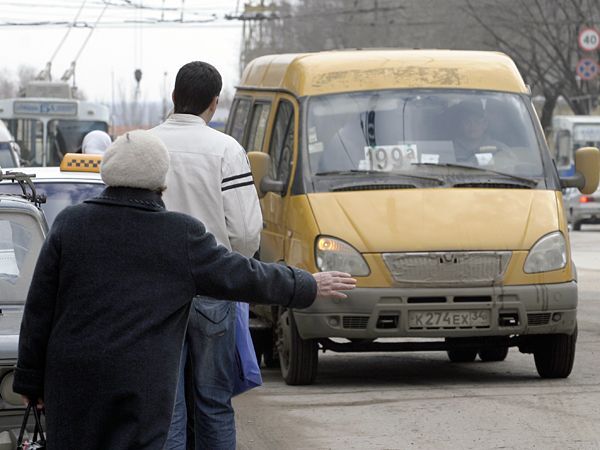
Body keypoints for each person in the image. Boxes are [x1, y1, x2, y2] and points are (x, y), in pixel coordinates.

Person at [12, 130, 356, 450]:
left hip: (71, 382)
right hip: (140, 387)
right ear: (162, 181)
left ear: (108, 174)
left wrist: (29, 379)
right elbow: (244, 275)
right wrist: (307, 283)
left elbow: (39, 307)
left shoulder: (70, 224)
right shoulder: (180, 235)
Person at [151, 61, 260, 450]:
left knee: (168, 404)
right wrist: (231, 268)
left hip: (157, 296)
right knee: (213, 401)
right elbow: (246, 231)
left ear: (174, 97)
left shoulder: (147, 146)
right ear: (214, 103)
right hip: (214, 290)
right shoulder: (226, 150)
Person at [451, 100, 509, 164]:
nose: (473, 126)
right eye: (467, 122)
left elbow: (512, 167)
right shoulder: (451, 149)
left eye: (477, 121)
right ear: (461, 124)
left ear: (485, 124)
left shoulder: (499, 149)